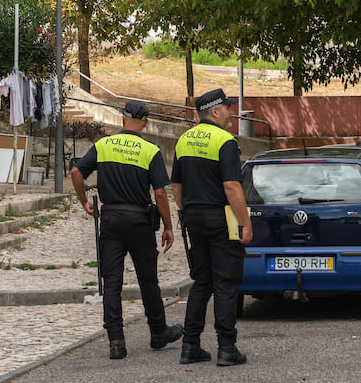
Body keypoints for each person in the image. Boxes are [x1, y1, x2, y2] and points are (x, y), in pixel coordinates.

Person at [71, 100, 183, 359]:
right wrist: (168, 226)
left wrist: (84, 202)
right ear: (145, 122)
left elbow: (77, 172)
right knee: (148, 280)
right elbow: (159, 194)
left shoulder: (103, 145)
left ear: (123, 119)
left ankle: (116, 342)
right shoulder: (149, 150)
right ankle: (158, 333)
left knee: (111, 281)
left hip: (110, 220)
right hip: (139, 222)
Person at [171, 88, 252, 366]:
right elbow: (231, 186)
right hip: (220, 218)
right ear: (215, 111)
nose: (231, 112)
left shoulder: (184, 140)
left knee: (201, 282)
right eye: (227, 108)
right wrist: (245, 223)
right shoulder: (224, 141)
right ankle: (226, 348)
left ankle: (190, 345)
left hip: (193, 217)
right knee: (226, 283)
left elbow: (176, 185)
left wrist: (185, 211)